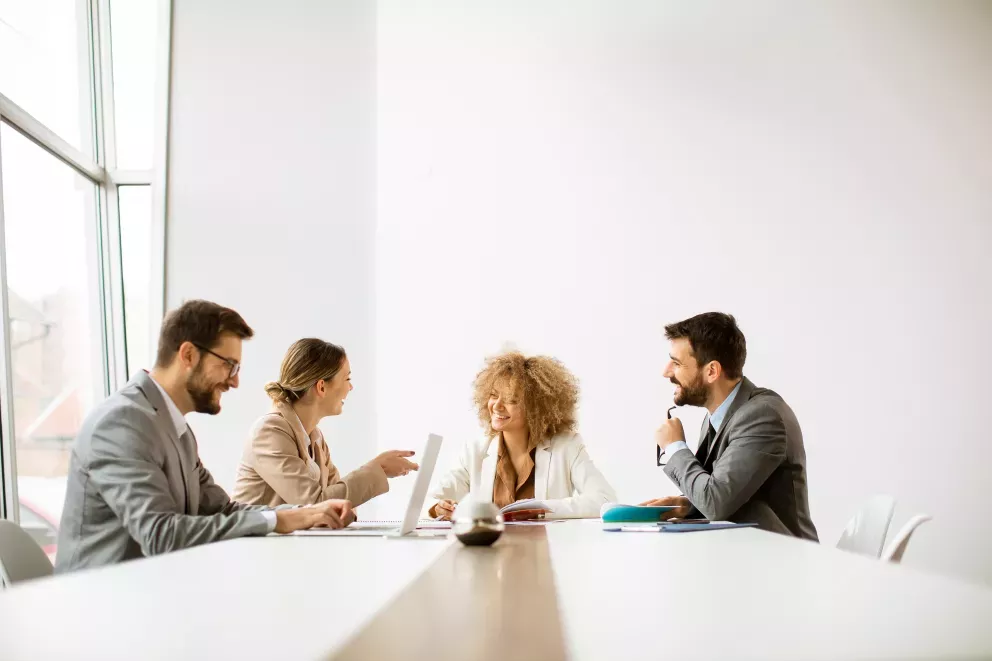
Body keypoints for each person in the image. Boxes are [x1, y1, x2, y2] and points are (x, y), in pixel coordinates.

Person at [55, 300, 354, 573]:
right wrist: (282, 520)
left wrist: (305, 513)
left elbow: (222, 508)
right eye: (228, 365)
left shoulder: (175, 429)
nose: (235, 381)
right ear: (188, 355)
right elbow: (161, 534)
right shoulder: (121, 423)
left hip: (150, 593)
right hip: (100, 608)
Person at [643, 312, 818, 540]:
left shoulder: (762, 416)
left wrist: (675, 447)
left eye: (676, 363)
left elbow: (716, 503)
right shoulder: (718, 416)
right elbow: (730, 494)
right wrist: (689, 505)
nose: (666, 372)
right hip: (742, 555)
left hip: (781, 562)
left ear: (712, 371)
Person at [232, 338, 418, 508]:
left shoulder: (315, 437)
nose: (350, 387)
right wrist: (379, 468)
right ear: (321, 387)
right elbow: (314, 504)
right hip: (257, 543)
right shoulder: (270, 431)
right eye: (347, 379)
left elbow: (335, 498)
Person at [428, 351, 616, 520]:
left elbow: (604, 500)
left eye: (511, 400)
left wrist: (542, 509)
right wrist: (438, 509)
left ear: (536, 408)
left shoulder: (567, 446)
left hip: (546, 554)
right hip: (491, 553)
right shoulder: (475, 451)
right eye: (494, 395)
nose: (497, 406)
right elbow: (431, 501)